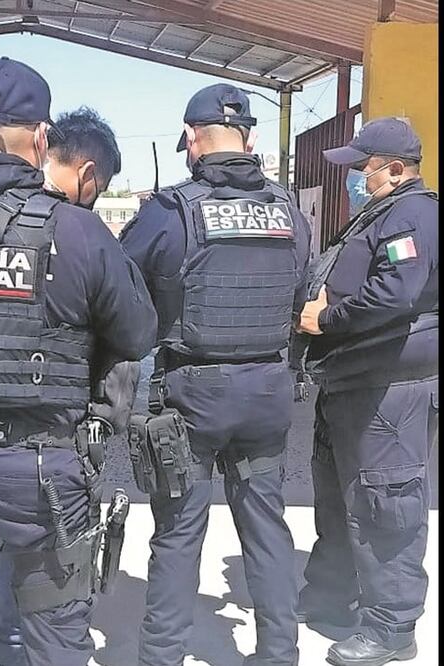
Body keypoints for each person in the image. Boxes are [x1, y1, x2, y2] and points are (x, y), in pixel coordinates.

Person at [0, 57, 157, 666]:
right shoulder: (79, 232)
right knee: (55, 644)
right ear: (41, 139)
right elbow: (138, 333)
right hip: (38, 474)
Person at [119, 83, 311, 666]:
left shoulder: (170, 210)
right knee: (267, 526)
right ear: (248, 138)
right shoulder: (288, 210)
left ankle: (162, 656)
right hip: (267, 390)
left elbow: (122, 287)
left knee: (179, 533)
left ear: (191, 139)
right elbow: (299, 293)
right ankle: (279, 652)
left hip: (193, 394)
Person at [0, 105, 126, 666]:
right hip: (53, 430)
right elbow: (134, 330)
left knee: (7, 540)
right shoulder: (83, 231)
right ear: (88, 174)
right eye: (102, 187)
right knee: (49, 548)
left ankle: (8, 646)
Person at [295, 117, 437, 666]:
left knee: (386, 504)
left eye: (362, 167)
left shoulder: (413, 215)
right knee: (338, 496)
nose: (354, 177)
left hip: (389, 387)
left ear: (395, 169)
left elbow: (395, 294)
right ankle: (333, 598)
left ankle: (392, 627)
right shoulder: (381, 212)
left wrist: (327, 319)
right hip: (352, 379)